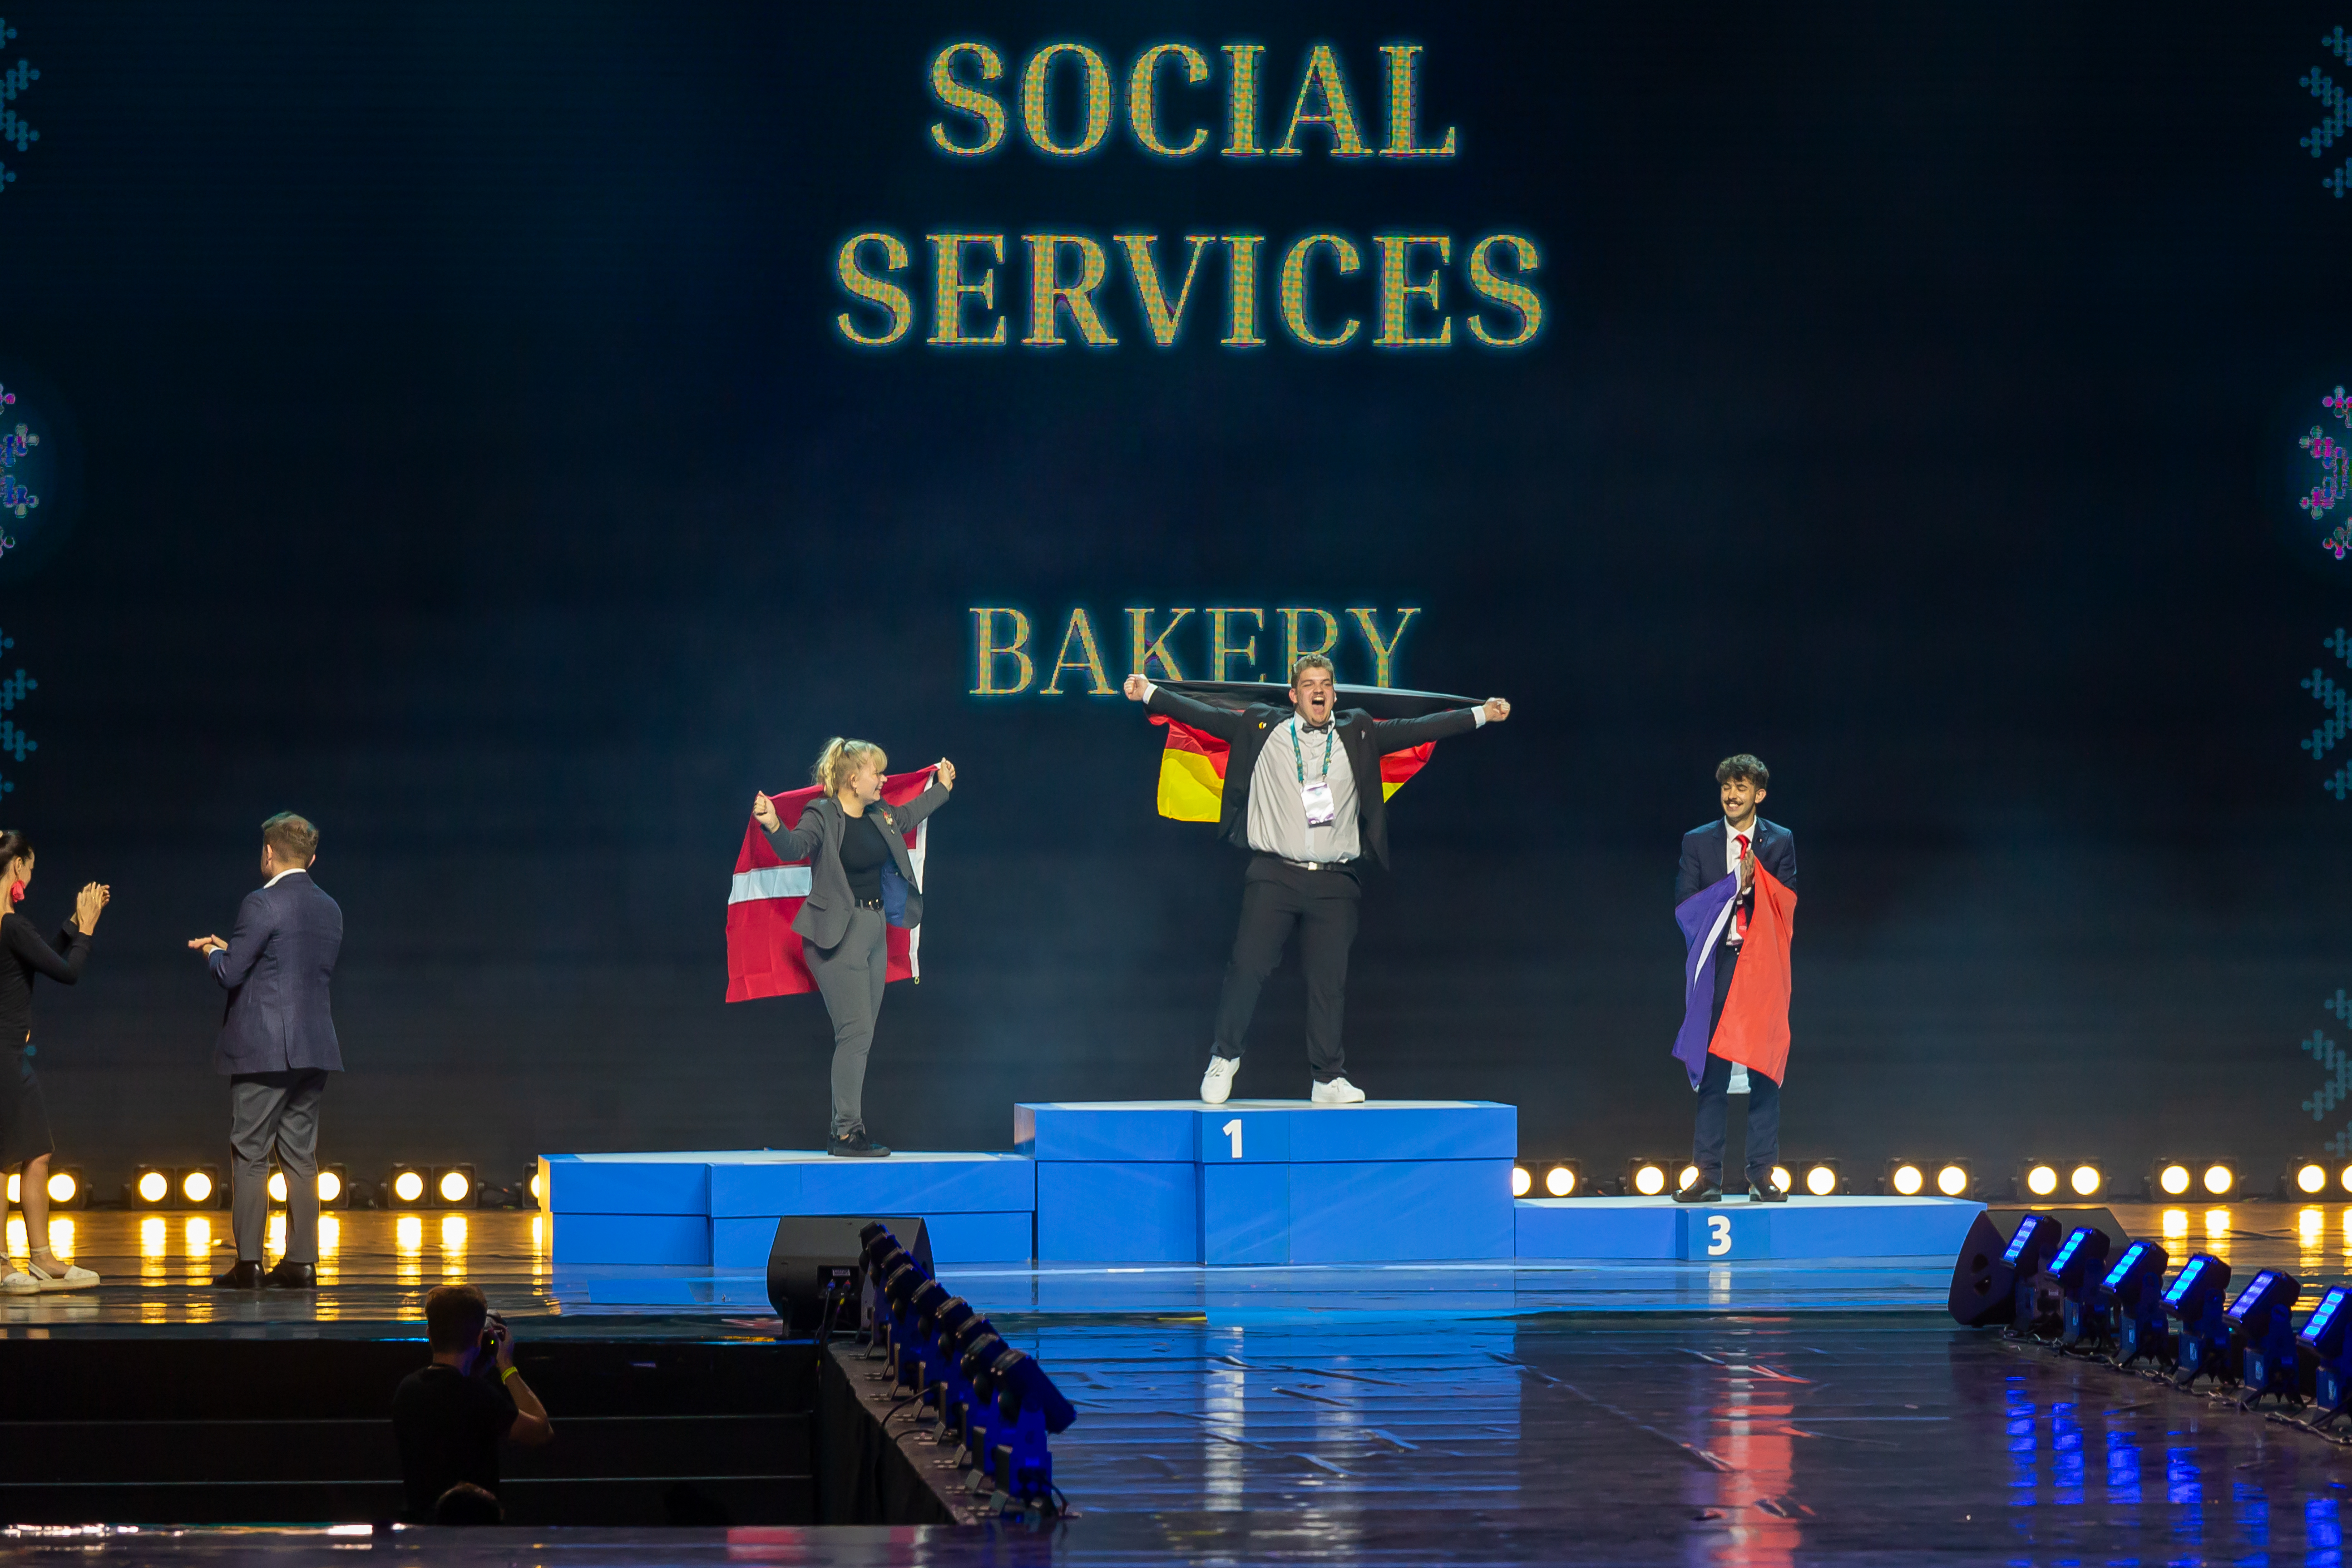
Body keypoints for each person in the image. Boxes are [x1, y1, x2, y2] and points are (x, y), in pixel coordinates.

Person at [1124, 656, 1510, 1105]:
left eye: (1325, 683)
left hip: (1334, 881)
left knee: (1330, 981)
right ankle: (1224, 1057)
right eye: (1309, 684)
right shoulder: (1261, 727)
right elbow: (1203, 716)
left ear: (1334, 693)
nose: (1318, 690)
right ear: (1294, 695)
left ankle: (1328, 1078)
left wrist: (1483, 713)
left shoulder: (1359, 731)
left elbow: (1419, 728)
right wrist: (1149, 692)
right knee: (1247, 968)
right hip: (1274, 875)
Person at [752, 739, 956, 1158]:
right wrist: (773, 823)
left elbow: (912, 812)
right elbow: (795, 847)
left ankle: (841, 1130)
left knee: (859, 1036)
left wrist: (942, 789)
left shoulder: (881, 814)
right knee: (856, 1033)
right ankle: (847, 1133)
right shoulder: (822, 815)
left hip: (874, 929)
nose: (883, 779)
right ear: (852, 779)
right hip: (836, 934)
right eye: (876, 773)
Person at [187, 812, 344, 1288]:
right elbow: (287, 969)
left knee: (251, 1153)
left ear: (269, 854)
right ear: (312, 858)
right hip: (314, 1046)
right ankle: (302, 1261)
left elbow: (230, 975)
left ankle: (249, 1263)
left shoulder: (261, 902)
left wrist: (214, 953)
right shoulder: (330, 908)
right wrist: (233, 950)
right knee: (301, 1156)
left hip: (263, 1049)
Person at [1673, 754, 1799, 1204]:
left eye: (1741, 788)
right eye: (1727, 786)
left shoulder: (1779, 841)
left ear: (1758, 795)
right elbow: (1685, 905)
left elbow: (1786, 905)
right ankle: (1707, 1175)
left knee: (1765, 1069)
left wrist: (1755, 885)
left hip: (1761, 965)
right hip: (1719, 965)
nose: (1732, 795)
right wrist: (1732, 887)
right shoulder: (1698, 841)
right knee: (1713, 1074)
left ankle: (1762, 1173)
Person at [0, 830, 108, 1293]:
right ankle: (3, 1261)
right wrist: (87, 928)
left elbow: (39, 955)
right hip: (4, 1054)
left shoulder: (12, 927)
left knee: (36, 1151)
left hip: (11, 1055)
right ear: (18, 866)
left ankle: (42, 1256)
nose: (32, 875)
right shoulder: (10, 924)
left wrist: (72, 923)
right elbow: (66, 972)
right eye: (31, 866)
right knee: (4, 1159)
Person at [392, 1283, 552, 1521]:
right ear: (479, 1338)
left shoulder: (407, 1388)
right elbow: (541, 1431)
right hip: (476, 1536)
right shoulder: (480, 1396)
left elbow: (449, 1400)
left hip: (422, 1535)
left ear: (429, 1335)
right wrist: (507, 1366)